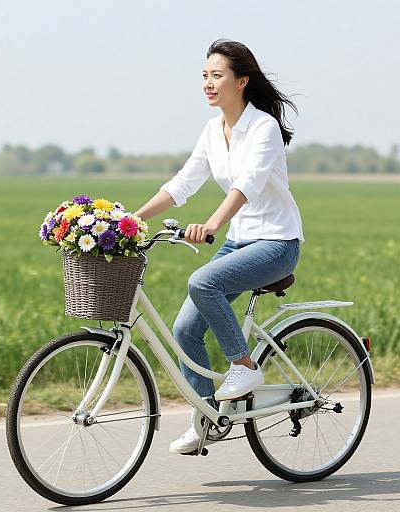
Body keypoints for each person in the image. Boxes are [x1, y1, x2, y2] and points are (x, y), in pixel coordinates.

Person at [134, 38, 304, 454]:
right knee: (185, 330)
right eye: (205, 76)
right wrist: (132, 219)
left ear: (242, 81)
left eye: (218, 76)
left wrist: (211, 223)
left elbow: (248, 183)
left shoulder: (262, 127)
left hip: (276, 241)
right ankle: (206, 418)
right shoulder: (213, 130)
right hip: (238, 242)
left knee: (202, 281)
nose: (209, 84)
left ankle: (244, 367)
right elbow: (182, 184)